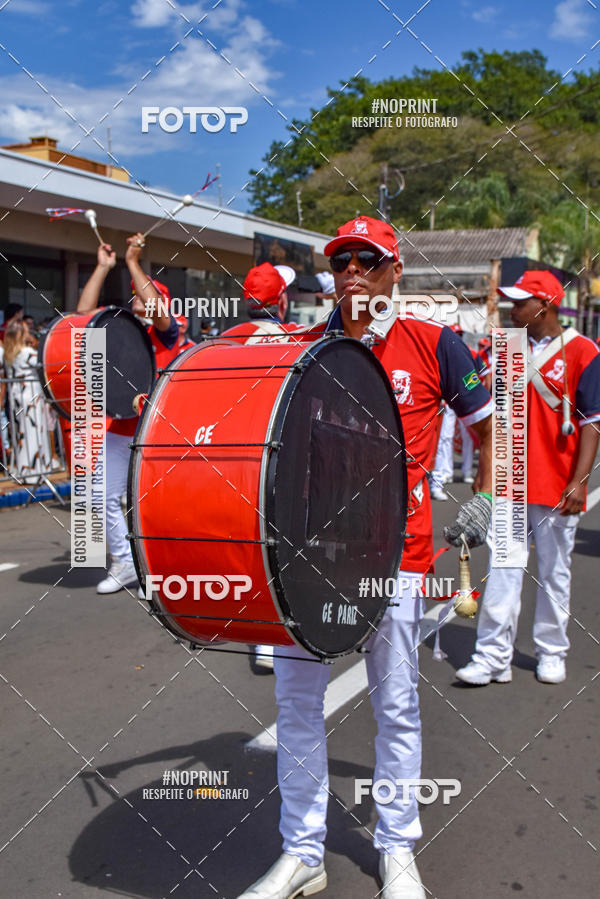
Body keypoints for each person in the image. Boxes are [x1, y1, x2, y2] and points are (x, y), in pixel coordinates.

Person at [237, 216, 494, 899]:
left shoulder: (436, 345)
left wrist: (487, 498)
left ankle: (398, 849)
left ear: (393, 270)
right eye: (342, 258)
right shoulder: (302, 350)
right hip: (308, 560)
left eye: (366, 258)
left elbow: (491, 430)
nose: (351, 269)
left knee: (397, 706)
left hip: (398, 557)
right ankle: (301, 852)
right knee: (296, 703)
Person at [457, 270, 600, 686]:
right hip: (509, 480)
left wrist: (579, 481)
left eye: (520, 302)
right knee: (503, 567)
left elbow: (592, 422)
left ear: (546, 305)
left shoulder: (583, 352)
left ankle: (552, 651)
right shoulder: (505, 348)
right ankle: (492, 656)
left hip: (557, 482)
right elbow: (489, 412)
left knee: (555, 570)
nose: (511, 308)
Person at [77, 234, 178, 594]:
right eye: (135, 292)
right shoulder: (119, 331)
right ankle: (124, 561)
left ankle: (173, 562)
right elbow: (83, 316)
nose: (139, 297)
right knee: (97, 494)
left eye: (146, 293)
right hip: (121, 428)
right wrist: (104, 268)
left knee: (161, 504)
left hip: (158, 431)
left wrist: (134, 262)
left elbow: (159, 313)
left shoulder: (166, 335)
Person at [221, 262, 300, 671]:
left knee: (245, 546)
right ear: (281, 301)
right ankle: (275, 634)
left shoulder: (221, 343)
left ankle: (253, 630)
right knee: (280, 547)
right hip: (280, 460)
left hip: (230, 462)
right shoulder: (297, 340)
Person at [429, 324, 484, 499]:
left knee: (469, 438)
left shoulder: (470, 353)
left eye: (460, 334)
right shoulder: (437, 349)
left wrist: (476, 395)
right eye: (455, 333)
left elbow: (484, 375)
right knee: (442, 439)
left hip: (464, 401)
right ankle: (441, 475)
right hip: (444, 403)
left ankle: (466, 471)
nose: (457, 336)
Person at [3, 319, 52, 484]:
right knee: (35, 432)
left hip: (17, 397)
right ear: (20, 334)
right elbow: (45, 364)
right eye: (25, 331)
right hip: (31, 396)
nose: (29, 333)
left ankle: (23, 469)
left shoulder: (9, 353)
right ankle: (34, 472)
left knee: (22, 433)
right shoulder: (27, 353)